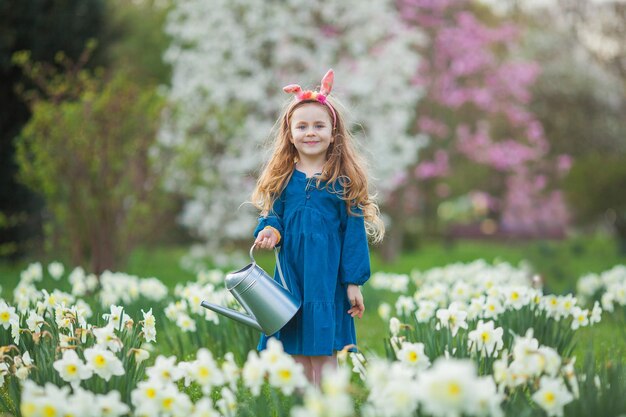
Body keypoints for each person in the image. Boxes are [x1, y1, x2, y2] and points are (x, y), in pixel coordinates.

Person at [250, 69, 385, 385]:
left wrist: (353, 282)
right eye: (302, 126)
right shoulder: (282, 179)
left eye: (319, 125)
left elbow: (353, 235)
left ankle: (327, 403)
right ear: (290, 133)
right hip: (292, 278)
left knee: (324, 349)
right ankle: (302, 405)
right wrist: (269, 231)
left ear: (333, 132)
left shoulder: (342, 182)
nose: (310, 132)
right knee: (295, 348)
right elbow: (272, 216)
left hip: (327, 280)